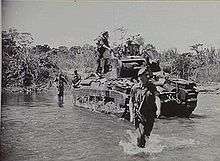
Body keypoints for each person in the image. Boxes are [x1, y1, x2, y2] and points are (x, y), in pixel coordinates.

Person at [129, 67, 161, 148]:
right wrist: (131, 115)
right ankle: (139, 151)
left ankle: (141, 149)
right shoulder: (135, 88)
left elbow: (157, 98)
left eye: (143, 76)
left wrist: (158, 109)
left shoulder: (152, 87)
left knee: (146, 135)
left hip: (150, 115)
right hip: (139, 114)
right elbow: (131, 101)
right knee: (141, 135)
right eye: (140, 77)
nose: (141, 78)